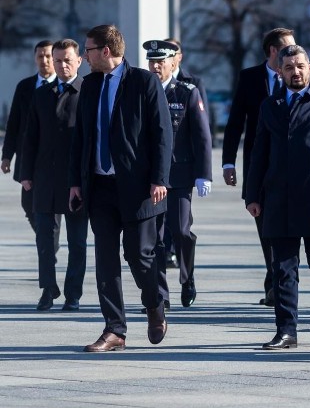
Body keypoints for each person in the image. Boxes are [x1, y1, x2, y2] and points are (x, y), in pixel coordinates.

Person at [69, 24, 173, 352]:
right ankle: (115, 329)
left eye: (87, 50)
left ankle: (155, 305)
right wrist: (75, 182)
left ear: (105, 51)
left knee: (139, 256)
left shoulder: (144, 82)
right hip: (99, 186)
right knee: (105, 259)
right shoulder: (89, 86)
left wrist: (160, 178)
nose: (83, 57)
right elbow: (81, 137)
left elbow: (162, 133)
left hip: (139, 187)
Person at [245, 45, 310, 350]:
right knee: (283, 268)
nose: (296, 72)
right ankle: (286, 331)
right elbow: (258, 153)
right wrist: (253, 195)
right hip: (278, 198)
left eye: (300, 66)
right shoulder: (270, 105)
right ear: (280, 72)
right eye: (289, 67)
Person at [222, 27, 296, 306]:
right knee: (266, 228)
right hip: (259, 167)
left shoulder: (297, 76)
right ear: (274, 51)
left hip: (291, 167)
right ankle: (275, 283)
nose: (294, 53)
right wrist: (228, 161)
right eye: (288, 48)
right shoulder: (250, 78)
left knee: (287, 231)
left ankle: (280, 284)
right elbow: (235, 122)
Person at [19, 39, 88, 311]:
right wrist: (26, 174)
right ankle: (48, 289)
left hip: (76, 181)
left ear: (79, 60)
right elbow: (30, 137)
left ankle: (73, 294)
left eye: (67, 60)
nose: (61, 65)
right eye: (57, 60)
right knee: (45, 240)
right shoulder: (41, 94)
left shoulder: (89, 92)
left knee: (77, 242)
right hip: (44, 178)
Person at [145, 40, 213, 309]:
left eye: (161, 61)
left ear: (174, 62)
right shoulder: (142, 91)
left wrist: (203, 174)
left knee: (182, 231)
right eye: (152, 61)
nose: (156, 66)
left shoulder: (186, 92)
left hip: (180, 176)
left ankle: (188, 278)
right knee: (155, 238)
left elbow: (202, 136)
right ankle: (160, 294)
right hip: (151, 179)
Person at [2, 40, 60, 254]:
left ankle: (48, 249)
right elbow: (14, 124)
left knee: (51, 210)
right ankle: (47, 240)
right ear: (35, 59)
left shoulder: (63, 87)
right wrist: (6, 156)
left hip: (53, 161)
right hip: (28, 159)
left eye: (48, 56)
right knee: (29, 206)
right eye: (40, 56)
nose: (44, 61)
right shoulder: (25, 87)